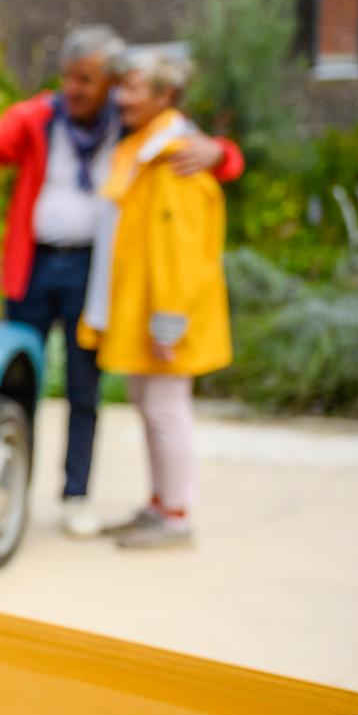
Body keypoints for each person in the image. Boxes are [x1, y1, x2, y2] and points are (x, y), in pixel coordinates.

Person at [0, 25, 243, 538]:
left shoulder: (133, 128)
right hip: (33, 269)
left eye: (88, 79)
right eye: (68, 77)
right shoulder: (39, 119)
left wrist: (223, 153)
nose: (73, 88)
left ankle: (76, 495)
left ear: (113, 83)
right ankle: (9, 490)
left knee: (83, 390)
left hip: (92, 277)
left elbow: (201, 151)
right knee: (17, 383)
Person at [79, 49, 230, 548]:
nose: (122, 97)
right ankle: (160, 504)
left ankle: (177, 517)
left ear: (166, 95)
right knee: (150, 403)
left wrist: (169, 320)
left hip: (164, 313)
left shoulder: (174, 159)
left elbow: (179, 250)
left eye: (135, 88)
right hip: (142, 306)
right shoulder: (146, 148)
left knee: (166, 407)